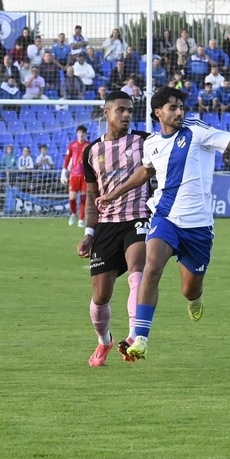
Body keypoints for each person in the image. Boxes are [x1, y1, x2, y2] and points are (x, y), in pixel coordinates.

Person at [96, 87, 230, 361]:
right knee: (151, 268)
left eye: (181, 107)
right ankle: (141, 337)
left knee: (190, 289)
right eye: (172, 108)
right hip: (165, 218)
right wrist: (112, 193)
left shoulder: (197, 132)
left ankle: (195, 298)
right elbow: (145, 172)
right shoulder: (152, 143)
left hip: (199, 227)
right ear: (158, 113)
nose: (179, 112)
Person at [75, 90, 152, 366]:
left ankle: (133, 337)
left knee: (137, 273)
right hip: (107, 225)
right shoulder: (91, 151)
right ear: (106, 113)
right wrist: (88, 234)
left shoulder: (145, 142)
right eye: (120, 110)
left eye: (129, 110)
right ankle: (104, 340)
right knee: (100, 297)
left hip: (139, 217)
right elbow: (93, 198)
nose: (126, 114)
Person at [64, 125, 89, 226]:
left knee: (83, 198)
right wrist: (64, 171)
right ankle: (74, 214)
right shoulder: (72, 145)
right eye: (79, 132)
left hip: (84, 176)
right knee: (72, 198)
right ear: (77, 133)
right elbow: (67, 158)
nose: (81, 134)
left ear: (85, 134)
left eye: (83, 132)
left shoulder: (88, 145)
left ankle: (81, 219)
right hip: (74, 175)